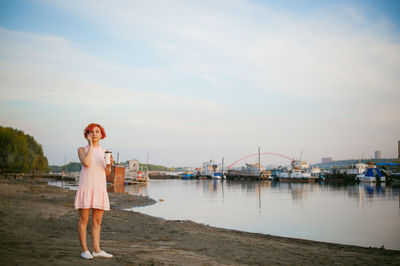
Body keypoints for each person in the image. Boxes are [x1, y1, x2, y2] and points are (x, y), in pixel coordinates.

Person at [74, 123, 114, 259]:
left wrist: (109, 165)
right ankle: (85, 250)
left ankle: (96, 250)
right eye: (91, 132)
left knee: (97, 222)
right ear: (87, 135)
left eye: (97, 131)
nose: (95, 134)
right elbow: (86, 162)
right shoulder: (82, 149)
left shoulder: (105, 152)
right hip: (86, 188)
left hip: (99, 189)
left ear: (102, 134)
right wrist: (91, 145)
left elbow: (107, 173)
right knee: (83, 220)